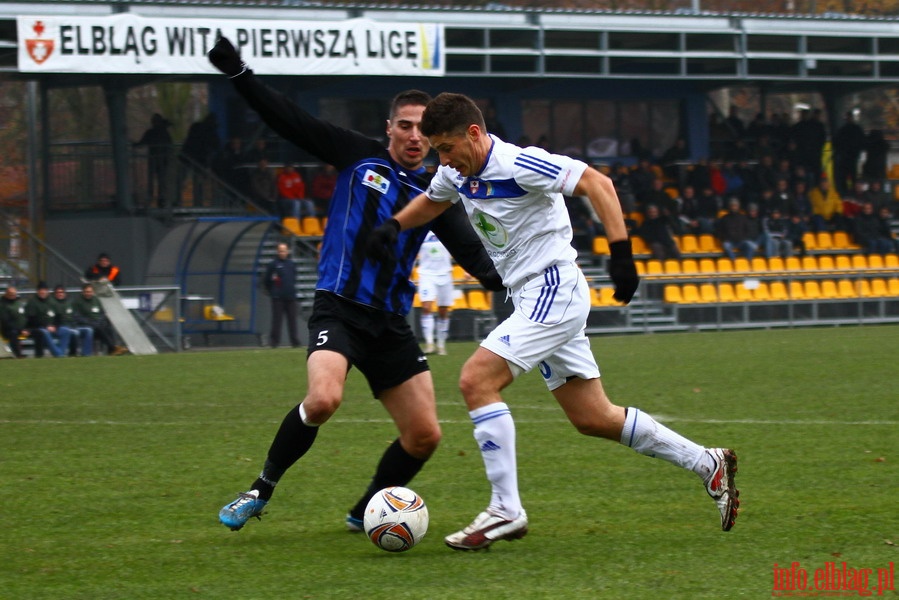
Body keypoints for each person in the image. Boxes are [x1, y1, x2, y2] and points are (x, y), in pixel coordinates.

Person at [366, 92, 739, 551]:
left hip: (553, 288)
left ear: (474, 134)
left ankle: (506, 509)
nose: (441, 160)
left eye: (445, 148)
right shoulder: (454, 172)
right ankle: (707, 463)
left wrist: (622, 254)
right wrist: (393, 227)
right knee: (593, 417)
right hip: (528, 297)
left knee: (475, 380)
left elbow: (598, 184)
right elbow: (431, 201)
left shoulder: (521, 163)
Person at [208, 37, 503, 533]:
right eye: (404, 126)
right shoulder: (356, 155)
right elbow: (288, 119)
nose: (414, 136)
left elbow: (474, 254)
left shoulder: (438, 191)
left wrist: (525, 284)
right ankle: (260, 489)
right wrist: (239, 73)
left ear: (433, 137)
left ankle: (364, 510)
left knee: (425, 436)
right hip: (339, 310)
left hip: (390, 323)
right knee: (323, 400)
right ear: (389, 128)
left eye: (422, 129)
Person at [416, 231, 455, 355]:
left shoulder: (447, 230)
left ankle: (441, 344)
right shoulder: (421, 232)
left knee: (443, 311)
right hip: (426, 274)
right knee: (426, 307)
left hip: (445, 275)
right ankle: (429, 343)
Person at [71, 283, 128, 356]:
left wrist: (100, 320)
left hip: (98, 325)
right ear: (83, 292)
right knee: (98, 327)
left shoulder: (96, 300)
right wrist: (90, 322)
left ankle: (112, 349)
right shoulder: (77, 302)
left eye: (90, 292)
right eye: (86, 292)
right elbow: (77, 317)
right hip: (87, 326)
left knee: (108, 326)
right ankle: (113, 348)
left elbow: (103, 313)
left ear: (93, 292)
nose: (88, 293)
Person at [178, 113, 220, 206]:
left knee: (181, 180)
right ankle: (198, 203)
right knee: (198, 183)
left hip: (187, 156)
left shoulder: (196, 126)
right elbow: (216, 145)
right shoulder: (211, 131)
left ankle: (177, 201)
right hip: (199, 160)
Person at [264, 242, 300, 348]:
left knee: (292, 320)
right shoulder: (273, 264)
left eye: (284, 250)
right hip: (278, 297)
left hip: (290, 297)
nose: (282, 253)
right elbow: (267, 280)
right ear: (277, 252)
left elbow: (294, 277)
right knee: (277, 320)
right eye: (280, 251)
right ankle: (274, 342)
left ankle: (295, 341)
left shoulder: (291, 264)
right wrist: (273, 291)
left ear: (287, 251)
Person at [134, 112, 174, 206]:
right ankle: (159, 199)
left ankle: (155, 198)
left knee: (157, 180)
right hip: (160, 159)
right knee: (160, 180)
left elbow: (142, 143)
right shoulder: (162, 132)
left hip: (159, 159)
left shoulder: (153, 132)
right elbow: (169, 146)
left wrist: (134, 144)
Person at [25, 282, 71, 358]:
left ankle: (61, 353)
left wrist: (55, 326)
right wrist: (46, 326)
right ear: (38, 291)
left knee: (66, 330)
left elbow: (58, 317)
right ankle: (58, 355)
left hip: (53, 328)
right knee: (45, 332)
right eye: (41, 290)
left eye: (44, 290)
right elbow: (32, 319)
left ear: (47, 291)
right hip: (39, 328)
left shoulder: (52, 301)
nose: (43, 292)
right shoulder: (33, 302)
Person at [51, 284, 93, 357]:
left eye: (61, 292)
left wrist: (86, 321)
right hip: (61, 327)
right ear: (55, 294)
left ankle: (86, 354)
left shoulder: (69, 303)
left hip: (73, 326)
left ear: (65, 293)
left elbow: (75, 315)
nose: (60, 294)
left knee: (89, 330)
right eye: (58, 292)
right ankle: (72, 353)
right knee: (74, 332)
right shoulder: (52, 304)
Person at [0, 285, 28, 358]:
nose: (13, 296)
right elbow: (6, 321)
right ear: (6, 294)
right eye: (11, 294)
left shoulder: (18, 302)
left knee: (39, 332)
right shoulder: (3, 305)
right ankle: (18, 354)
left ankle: (39, 355)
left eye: (14, 294)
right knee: (13, 333)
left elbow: (25, 315)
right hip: (9, 329)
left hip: (22, 329)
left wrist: (26, 328)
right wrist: (20, 330)